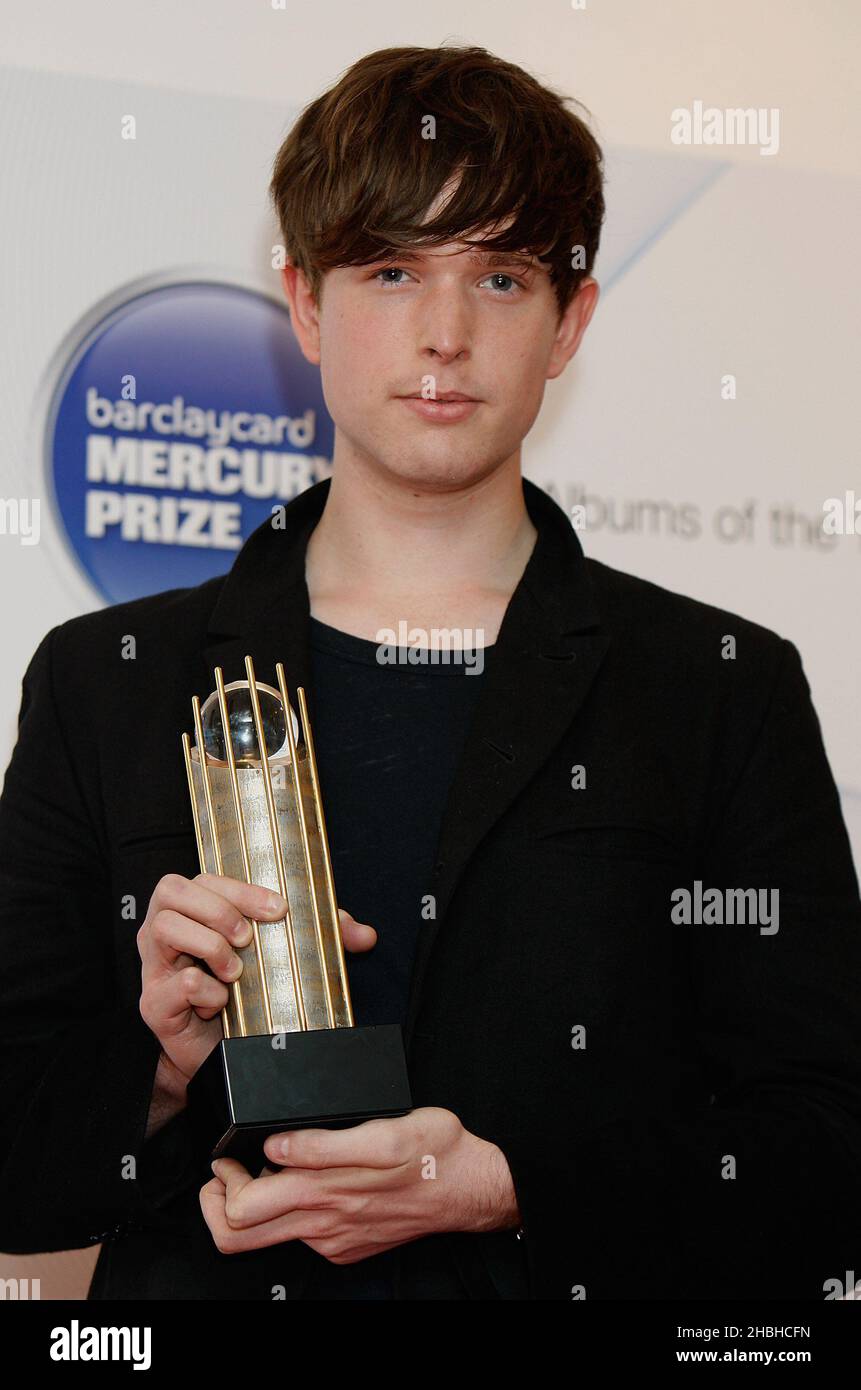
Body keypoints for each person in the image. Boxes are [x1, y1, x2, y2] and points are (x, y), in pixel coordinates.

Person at [1, 43, 859, 1301]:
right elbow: (17, 1166)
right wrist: (163, 1067)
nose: (446, 334)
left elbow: (827, 1150)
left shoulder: (721, 688)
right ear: (304, 302)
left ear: (571, 321)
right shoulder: (107, 683)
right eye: (393, 270)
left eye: (501, 277)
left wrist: (511, 1187)